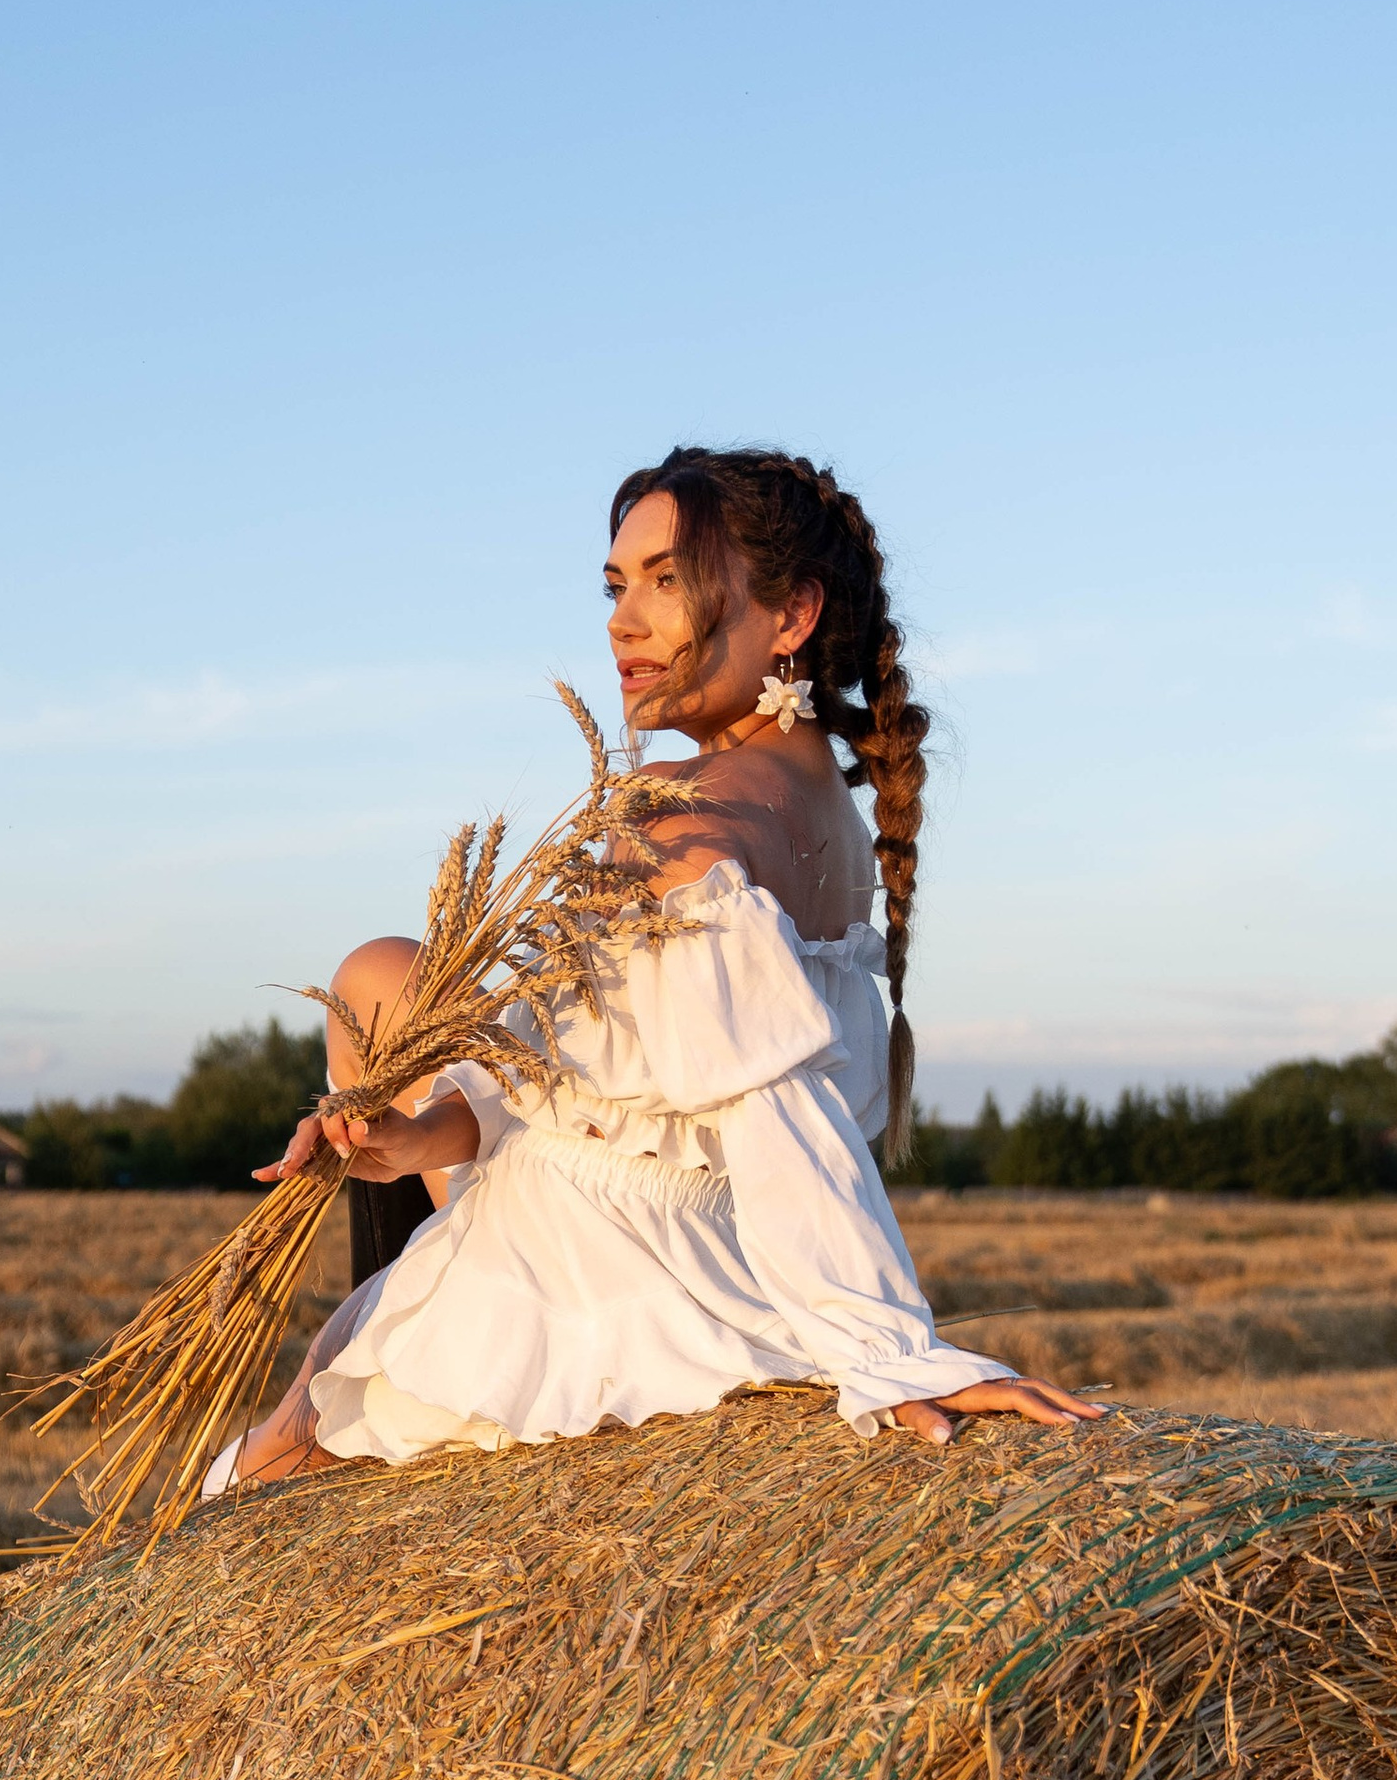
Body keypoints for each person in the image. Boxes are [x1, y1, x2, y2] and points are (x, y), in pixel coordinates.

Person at [215, 445, 1103, 1491]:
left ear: (790, 616)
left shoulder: (689, 807)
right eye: (615, 583)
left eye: (666, 581)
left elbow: (771, 1107)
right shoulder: (827, 812)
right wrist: (414, 1134)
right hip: (708, 1252)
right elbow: (601, 1078)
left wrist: (888, 1350)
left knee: (269, 1471)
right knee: (381, 972)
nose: (620, 621)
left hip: (591, 1261)